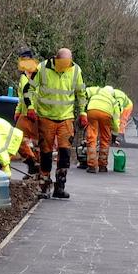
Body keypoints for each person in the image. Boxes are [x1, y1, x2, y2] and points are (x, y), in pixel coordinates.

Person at [29, 47, 87, 199]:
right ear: (55, 59)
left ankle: (60, 186)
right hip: (46, 117)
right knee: (46, 153)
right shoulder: (42, 68)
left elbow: (81, 93)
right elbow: (30, 89)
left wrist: (83, 112)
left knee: (65, 153)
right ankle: (44, 185)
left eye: (67, 64)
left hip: (66, 118)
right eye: (62, 64)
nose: (64, 68)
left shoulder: (75, 70)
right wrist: (30, 107)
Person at [12, 47, 41, 179]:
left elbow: (36, 93)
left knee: (37, 143)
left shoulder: (38, 74)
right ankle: (32, 163)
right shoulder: (24, 76)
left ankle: (37, 171)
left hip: (36, 113)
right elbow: (21, 95)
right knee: (17, 139)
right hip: (25, 114)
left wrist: (32, 108)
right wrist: (18, 111)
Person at [83, 85, 120, 172]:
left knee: (92, 137)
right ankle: (102, 165)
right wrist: (114, 136)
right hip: (106, 114)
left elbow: (84, 92)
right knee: (105, 139)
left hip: (92, 110)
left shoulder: (96, 90)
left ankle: (91, 165)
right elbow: (116, 121)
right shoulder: (114, 101)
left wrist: (83, 110)